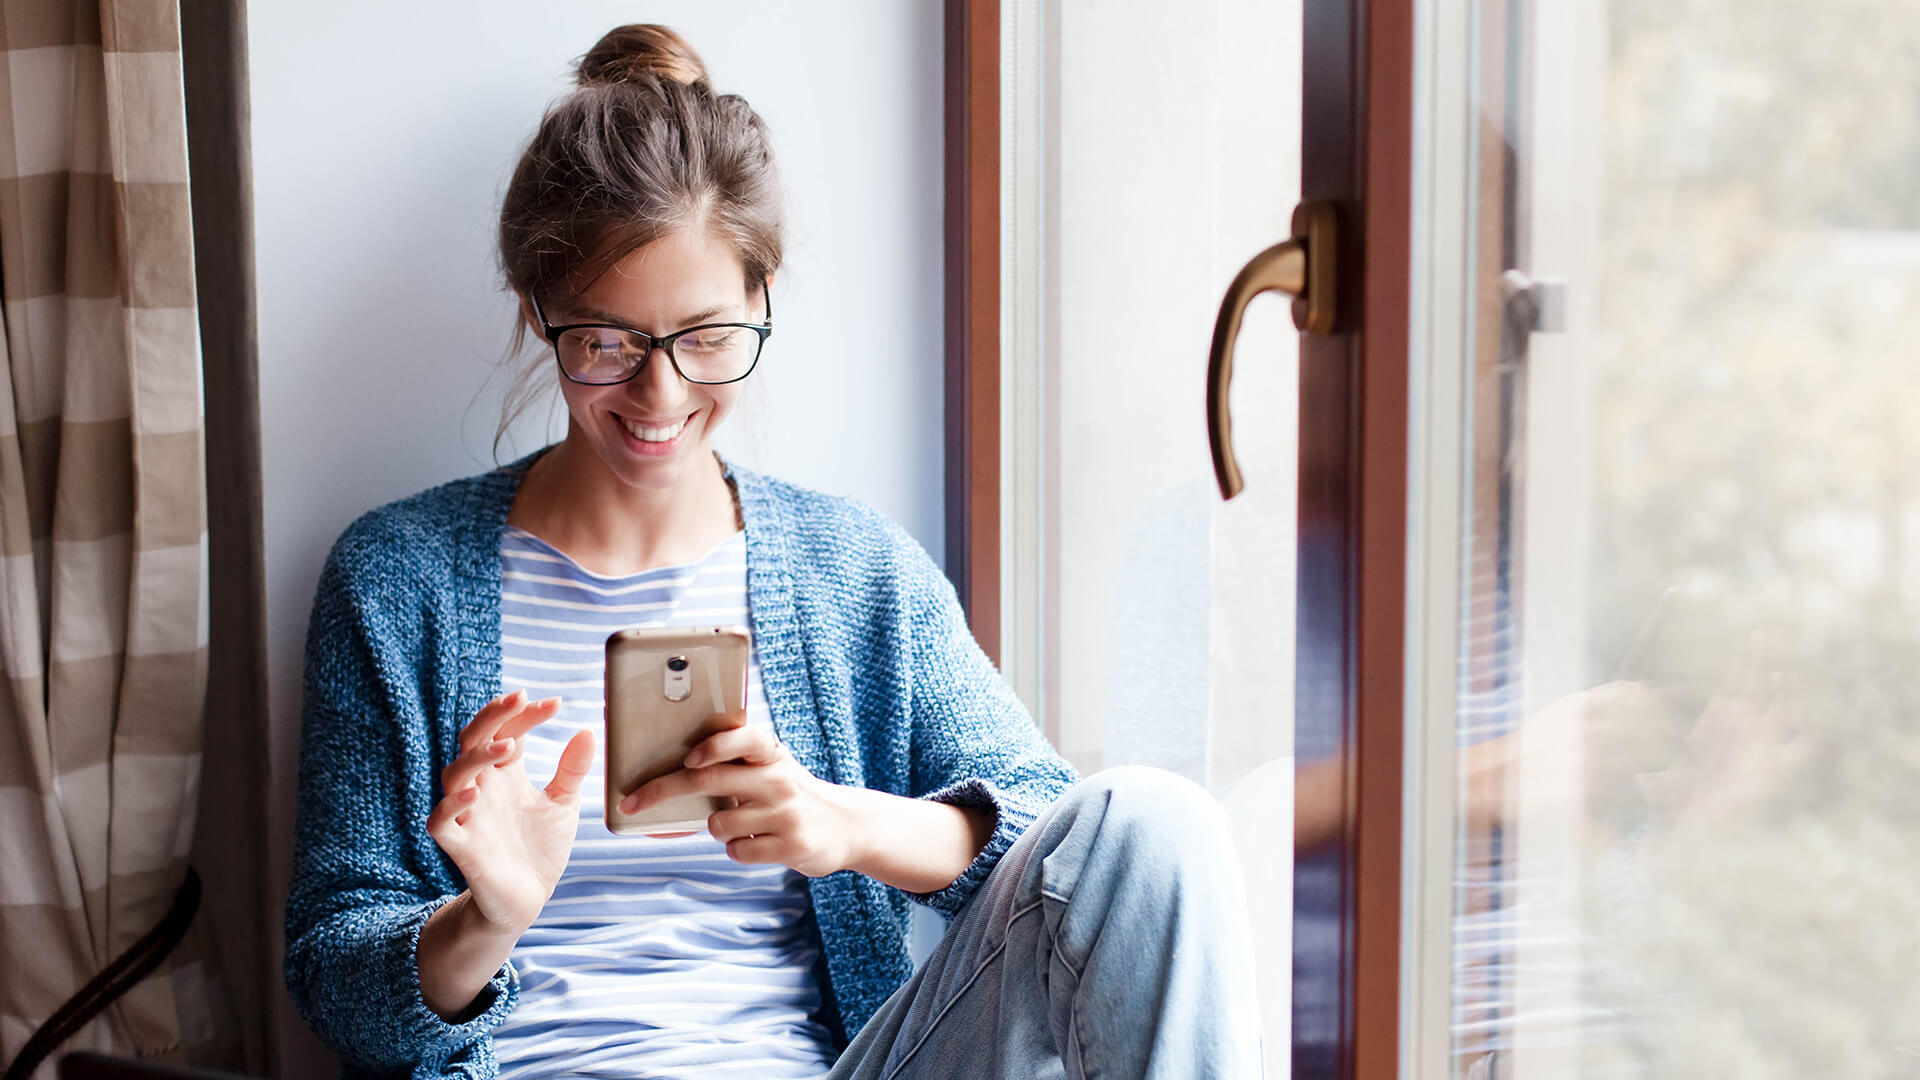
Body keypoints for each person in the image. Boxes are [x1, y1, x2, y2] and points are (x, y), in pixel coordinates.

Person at [282, 24, 1262, 1080]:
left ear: (763, 297)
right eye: (608, 342)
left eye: (706, 337)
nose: (660, 397)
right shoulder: (398, 583)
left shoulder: (851, 571)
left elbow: (1049, 837)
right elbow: (335, 971)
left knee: (1155, 824)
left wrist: (835, 822)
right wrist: (487, 918)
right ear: (539, 312)